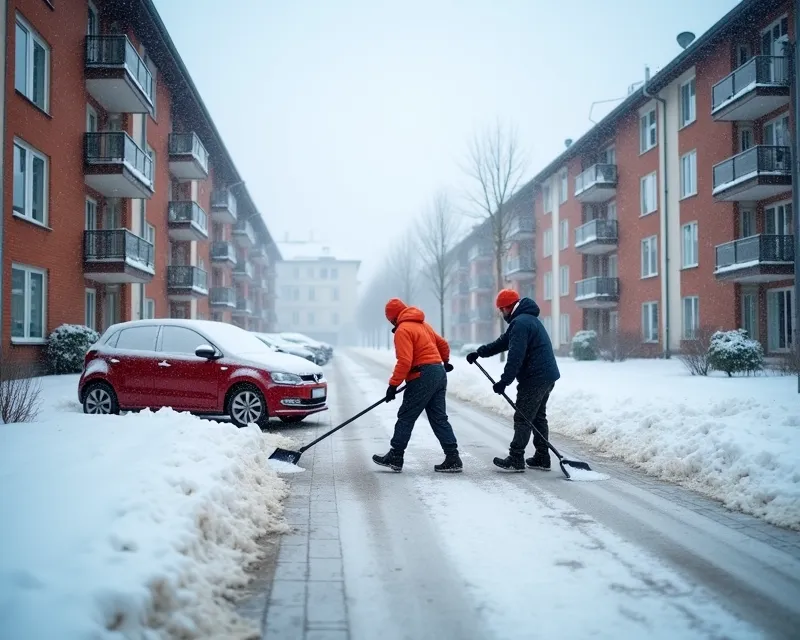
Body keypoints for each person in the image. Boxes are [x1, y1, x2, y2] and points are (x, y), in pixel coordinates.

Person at [466, 289, 560, 472]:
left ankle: (516, 458)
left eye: (501, 310)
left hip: (535, 377)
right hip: (547, 376)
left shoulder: (520, 323)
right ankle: (542, 456)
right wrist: (480, 353)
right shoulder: (526, 320)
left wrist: (504, 381)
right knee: (538, 417)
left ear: (508, 307)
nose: (501, 314)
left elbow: (515, 356)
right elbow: (503, 342)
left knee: (523, 417)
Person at [373, 298, 463, 473]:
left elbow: (405, 361)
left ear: (392, 318)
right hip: (438, 372)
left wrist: (393, 385)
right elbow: (442, 343)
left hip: (422, 374)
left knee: (406, 416)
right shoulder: (423, 325)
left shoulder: (402, 329)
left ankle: (396, 456)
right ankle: (453, 457)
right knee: (439, 418)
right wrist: (445, 362)